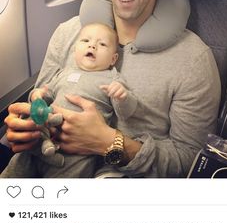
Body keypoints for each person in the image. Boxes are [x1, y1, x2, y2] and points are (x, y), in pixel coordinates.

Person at [3, 0, 221, 178]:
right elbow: (42, 98)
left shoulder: (193, 61)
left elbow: (190, 160)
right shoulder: (68, 33)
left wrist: (108, 142)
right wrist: (26, 124)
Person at [1, 23, 137, 177]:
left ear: (113, 59)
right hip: (43, 137)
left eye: (102, 44)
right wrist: (37, 95)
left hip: (79, 151)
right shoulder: (64, 72)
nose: (92, 46)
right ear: (75, 51)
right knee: (18, 166)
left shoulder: (113, 78)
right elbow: (48, 93)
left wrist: (122, 97)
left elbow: (127, 112)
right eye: (85, 41)